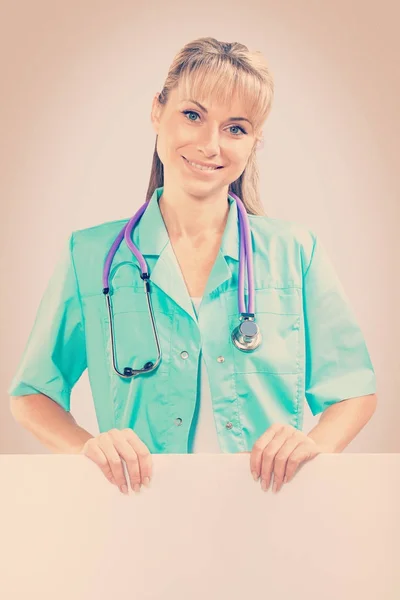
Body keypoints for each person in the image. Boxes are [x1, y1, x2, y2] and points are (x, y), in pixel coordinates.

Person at [8, 37, 377, 497]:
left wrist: (308, 446)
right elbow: (32, 393)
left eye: (236, 128)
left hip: (270, 517)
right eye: (193, 115)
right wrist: (89, 449)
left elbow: (354, 391)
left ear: (255, 141)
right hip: (139, 519)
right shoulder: (90, 256)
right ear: (157, 111)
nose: (210, 144)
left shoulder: (295, 252)